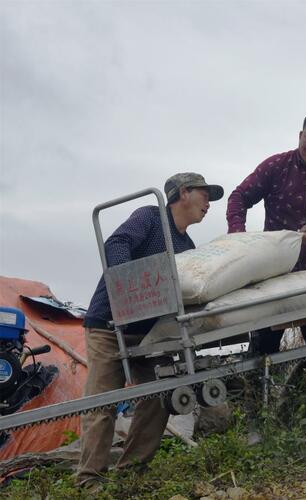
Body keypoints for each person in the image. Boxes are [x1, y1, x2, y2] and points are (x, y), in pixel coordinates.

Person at [76, 173, 223, 491]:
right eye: (204, 194)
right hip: (110, 325)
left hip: (149, 334)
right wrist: (131, 285)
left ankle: (130, 474)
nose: (209, 202)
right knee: (103, 401)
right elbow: (116, 244)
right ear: (183, 193)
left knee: (158, 397)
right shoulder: (150, 218)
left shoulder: (187, 246)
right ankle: (89, 480)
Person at [226, 109, 306, 370]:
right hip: (271, 274)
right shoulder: (276, 166)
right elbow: (239, 196)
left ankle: (299, 398)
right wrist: (237, 234)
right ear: (300, 135)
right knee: (261, 353)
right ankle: (254, 402)